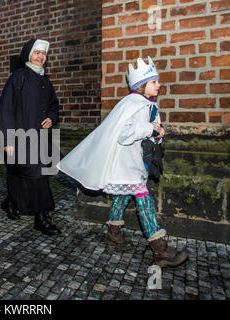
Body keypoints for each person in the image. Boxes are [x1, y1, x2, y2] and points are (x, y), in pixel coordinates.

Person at [57, 56, 190, 268]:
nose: (159, 85)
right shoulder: (134, 104)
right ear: (142, 85)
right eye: (154, 82)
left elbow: (147, 132)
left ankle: (113, 234)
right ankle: (160, 250)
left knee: (122, 195)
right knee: (143, 200)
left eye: (158, 81)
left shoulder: (145, 104)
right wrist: (150, 129)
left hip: (134, 162)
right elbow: (125, 134)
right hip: (127, 162)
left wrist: (156, 134)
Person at [0, 38, 61, 236]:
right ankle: (18, 205)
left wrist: (51, 118)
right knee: (20, 173)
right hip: (19, 136)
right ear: (28, 54)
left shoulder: (45, 80)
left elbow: (53, 105)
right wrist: (7, 140)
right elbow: (5, 109)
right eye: (37, 52)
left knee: (38, 176)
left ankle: (38, 215)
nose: (41, 56)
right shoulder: (18, 77)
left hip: (39, 138)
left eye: (43, 53)